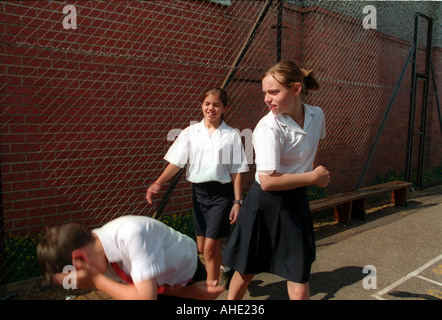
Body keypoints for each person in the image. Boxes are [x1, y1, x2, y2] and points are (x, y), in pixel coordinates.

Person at [222, 61, 330, 300]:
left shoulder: (316, 115)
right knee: (247, 269)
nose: (267, 99)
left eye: (274, 92)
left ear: (296, 89)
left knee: (299, 276)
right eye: (265, 93)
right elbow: (268, 181)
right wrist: (313, 177)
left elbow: (312, 151)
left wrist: (308, 176)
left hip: (295, 201)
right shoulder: (268, 126)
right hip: (265, 203)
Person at [146, 87, 249, 283]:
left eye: (216, 105)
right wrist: (158, 183)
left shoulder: (231, 135)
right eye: (207, 104)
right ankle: (227, 267)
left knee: (210, 249)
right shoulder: (190, 133)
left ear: (224, 108)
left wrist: (237, 201)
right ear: (201, 105)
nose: (211, 108)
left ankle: (211, 290)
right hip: (199, 194)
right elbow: (176, 162)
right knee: (202, 248)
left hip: (222, 195)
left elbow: (237, 170)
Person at [37, 215, 225, 300]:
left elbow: (144, 298)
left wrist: (97, 280)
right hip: (163, 289)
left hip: (187, 278)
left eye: (72, 281)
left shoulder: (131, 235)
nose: (74, 286)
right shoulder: (97, 256)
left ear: (79, 259)